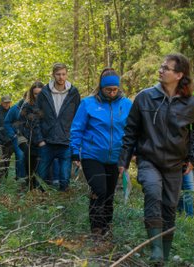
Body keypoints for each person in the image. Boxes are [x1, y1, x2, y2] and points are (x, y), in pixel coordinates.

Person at [118, 53, 194, 264]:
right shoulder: (144, 97)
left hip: (175, 165)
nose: (160, 70)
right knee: (152, 193)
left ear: (179, 74)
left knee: (169, 207)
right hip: (148, 159)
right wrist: (123, 161)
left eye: (166, 68)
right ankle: (155, 250)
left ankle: (163, 257)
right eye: (161, 67)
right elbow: (131, 130)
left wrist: (193, 161)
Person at [70, 68, 132, 237]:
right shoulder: (88, 103)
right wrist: (75, 152)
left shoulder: (126, 104)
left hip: (115, 157)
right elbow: (77, 129)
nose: (112, 93)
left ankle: (107, 227)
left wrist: (129, 154)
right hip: (92, 155)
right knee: (100, 190)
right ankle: (96, 230)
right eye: (108, 90)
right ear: (101, 88)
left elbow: (132, 131)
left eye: (115, 89)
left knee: (110, 194)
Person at [34, 63, 81, 191]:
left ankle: (64, 206)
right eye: (58, 74)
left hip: (66, 142)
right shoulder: (44, 92)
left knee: (65, 179)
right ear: (53, 75)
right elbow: (36, 118)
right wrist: (40, 140)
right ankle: (39, 203)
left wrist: (75, 141)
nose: (61, 77)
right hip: (47, 142)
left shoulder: (74, 92)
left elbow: (79, 119)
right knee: (40, 178)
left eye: (63, 74)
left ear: (67, 74)